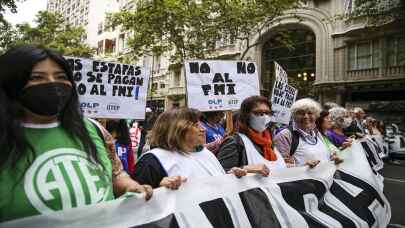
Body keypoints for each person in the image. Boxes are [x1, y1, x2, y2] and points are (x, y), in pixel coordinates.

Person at [0, 45, 151, 222]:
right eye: (37, 77)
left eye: (61, 77)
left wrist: (131, 187)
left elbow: (115, 175)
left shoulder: (93, 129)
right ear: (10, 83)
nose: (52, 84)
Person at [132, 108, 246, 189]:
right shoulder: (152, 161)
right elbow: (136, 202)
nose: (203, 129)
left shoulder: (206, 153)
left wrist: (230, 176)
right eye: (196, 126)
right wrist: (159, 189)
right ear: (177, 130)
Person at [217, 96, 285, 174]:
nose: (264, 117)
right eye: (257, 113)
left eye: (267, 113)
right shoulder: (234, 142)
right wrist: (245, 169)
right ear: (246, 115)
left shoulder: (269, 142)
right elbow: (220, 174)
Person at [273, 98, 340, 167]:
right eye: (301, 113)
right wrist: (303, 167)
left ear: (316, 116)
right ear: (294, 116)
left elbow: (324, 157)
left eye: (310, 113)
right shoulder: (285, 135)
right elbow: (280, 166)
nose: (306, 116)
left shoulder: (316, 133)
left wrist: (332, 159)